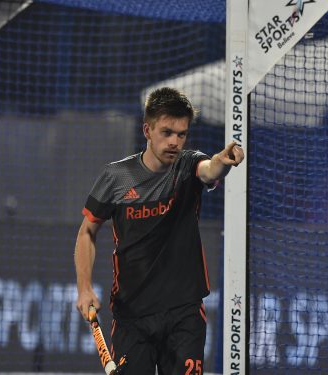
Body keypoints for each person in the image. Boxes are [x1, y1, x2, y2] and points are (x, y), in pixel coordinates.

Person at [74, 87, 244, 373]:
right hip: (132, 316)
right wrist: (84, 288)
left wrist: (222, 163)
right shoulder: (115, 177)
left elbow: (210, 169)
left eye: (181, 134)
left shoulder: (188, 166)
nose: (174, 142)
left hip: (184, 314)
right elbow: (86, 233)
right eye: (166, 132)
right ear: (147, 130)